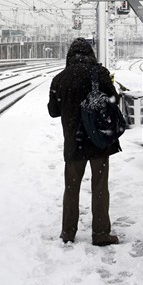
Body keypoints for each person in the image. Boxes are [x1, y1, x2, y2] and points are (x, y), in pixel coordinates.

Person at [48, 37, 121, 246]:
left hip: (74, 142)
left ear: (70, 56)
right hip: (99, 140)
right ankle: (100, 234)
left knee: (71, 187)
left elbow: (53, 112)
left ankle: (68, 232)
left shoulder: (60, 78)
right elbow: (114, 101)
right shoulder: (100, 74)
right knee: (100, 186)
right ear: (90, 54)